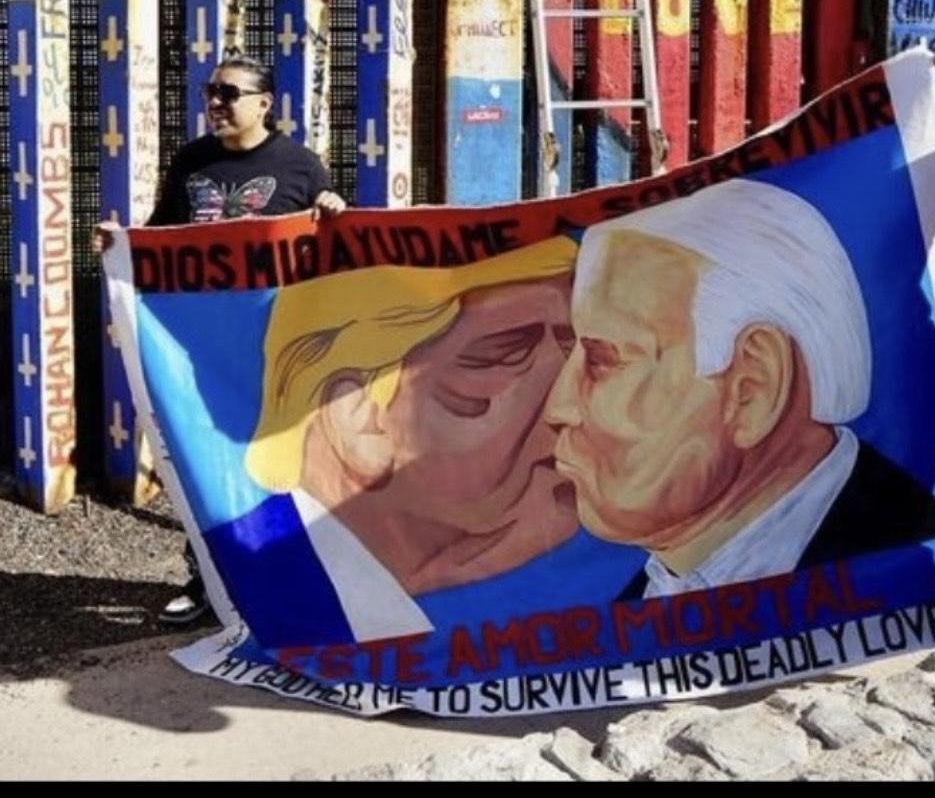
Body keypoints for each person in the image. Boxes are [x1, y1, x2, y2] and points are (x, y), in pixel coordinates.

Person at [544, 178, 935, 598]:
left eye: (601, 359)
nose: (558, 406)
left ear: (751, 386)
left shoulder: (910, 562)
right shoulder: (640, 599)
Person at [201, 238, 608, 650]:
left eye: (576, 350)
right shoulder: (262, 569)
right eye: (504, 355)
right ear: (354, 416)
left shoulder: (617, 573)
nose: (572, 403)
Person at [93, 53, 346, 626]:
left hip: (276, 349)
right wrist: (122, 245)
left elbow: (333, 250)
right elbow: (163, 238)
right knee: (207, 463)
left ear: (264, 103)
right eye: (211, 91)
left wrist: (332, 208)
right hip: (204, 351)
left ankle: (294, 584)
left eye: (229, 93)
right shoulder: (192, 162)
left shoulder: (300, 167)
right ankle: (209, 583)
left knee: (283, 467)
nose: (215, 102)